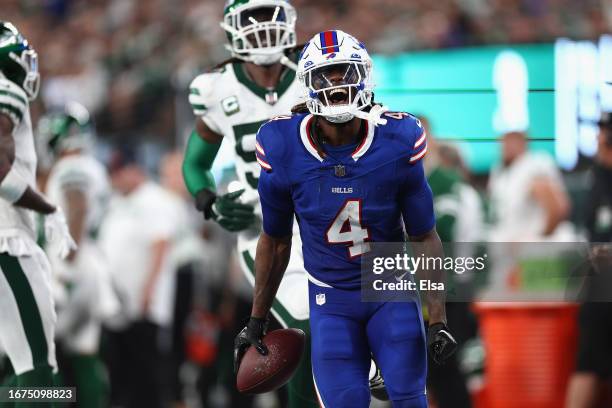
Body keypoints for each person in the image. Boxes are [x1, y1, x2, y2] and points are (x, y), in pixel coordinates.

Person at [234, 30, 457, 408]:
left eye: (345, 72)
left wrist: (438, 319)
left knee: (408, 400)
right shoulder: (281, 144)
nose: (337, 85)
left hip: (390, 289)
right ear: (308, 85)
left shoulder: (397, 139)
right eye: (325, 75)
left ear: (364, 77)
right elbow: (275, 240)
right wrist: (257, 318)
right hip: (330, 299)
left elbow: (423, 236)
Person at [181, 1, 318, 406]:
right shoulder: (217, 87)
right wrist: (210, 202)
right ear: (231, 29)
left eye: (270, 18)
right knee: (305, 329)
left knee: (352, 328)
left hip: (322, 218)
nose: (263, 30)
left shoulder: (312, 74)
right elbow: (195, 164)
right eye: (252, 20)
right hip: (264, 229)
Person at [0, 21, 75, 392]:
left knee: (14, 370)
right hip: (8, 244)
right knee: (37, 370)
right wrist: (48, 207)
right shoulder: (5, 91)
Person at [38, 102, 118, 407]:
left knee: (40, 353)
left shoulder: (70, 168)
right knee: (84, 353)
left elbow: (78, 210)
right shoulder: (93, 165)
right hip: (91, 268)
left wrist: (66, 273)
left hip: (73, 269)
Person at [99, 148, 187, 408]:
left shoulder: (154, 199)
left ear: (134, 170)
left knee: (146, 377)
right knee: (122, 376)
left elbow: (161, 244)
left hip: (144, 307)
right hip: (118, 307)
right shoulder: (118, 202)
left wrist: (149, 291)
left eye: (119, 172)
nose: (115, 179)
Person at [565, 111, 612, 408]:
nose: (597, 139)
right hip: (601, 289)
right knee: (588, 365)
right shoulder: (597, 179)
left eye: (603, 134)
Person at [488, 131, 571, 241]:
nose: (505, 144)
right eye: (504, 139)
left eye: (512, 138)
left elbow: (557, 209)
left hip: (532, 251)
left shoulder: (533, 164)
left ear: (523, 140)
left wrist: (538, 240)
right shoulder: (499, 171)